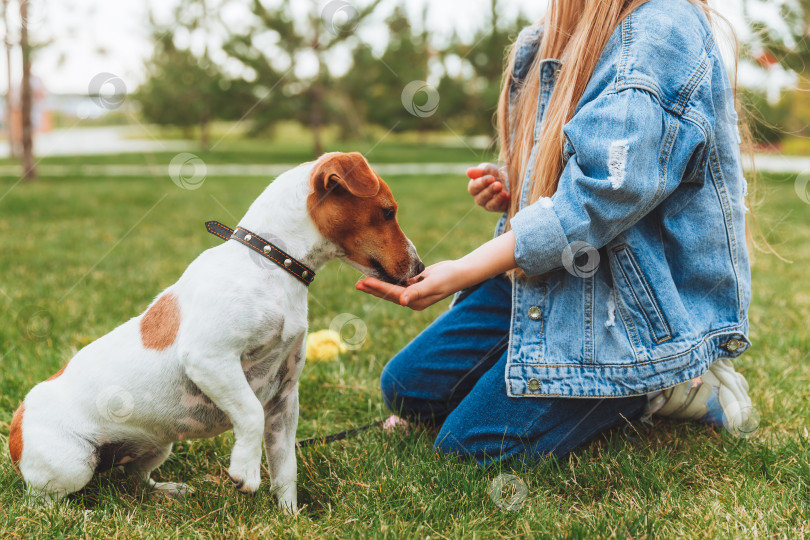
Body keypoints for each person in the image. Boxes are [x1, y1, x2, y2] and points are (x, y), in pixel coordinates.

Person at [357, 0, 755, 465]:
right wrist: (516, 181)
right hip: (549, 278)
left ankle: (659, 381)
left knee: (469, 446)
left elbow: (604, 192)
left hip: (617, 310)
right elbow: (573, 162)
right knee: (406, 389)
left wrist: (463, 270)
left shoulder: (662, 29)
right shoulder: (544, 37)